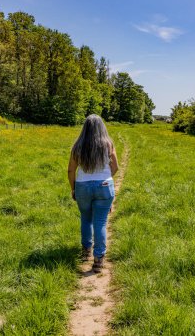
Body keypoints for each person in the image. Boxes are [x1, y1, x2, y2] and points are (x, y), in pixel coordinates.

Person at [68, 114, 119, 273]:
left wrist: (73, 188)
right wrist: (104, 178)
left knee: (86, 219)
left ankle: (85, 251)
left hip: (82, 187)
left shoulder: (77, 146)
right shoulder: (108, 144)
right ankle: (98, 260)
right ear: (101, 127)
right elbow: (115, 167)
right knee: (100, 222)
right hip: (104, 186)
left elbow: (71, 170)